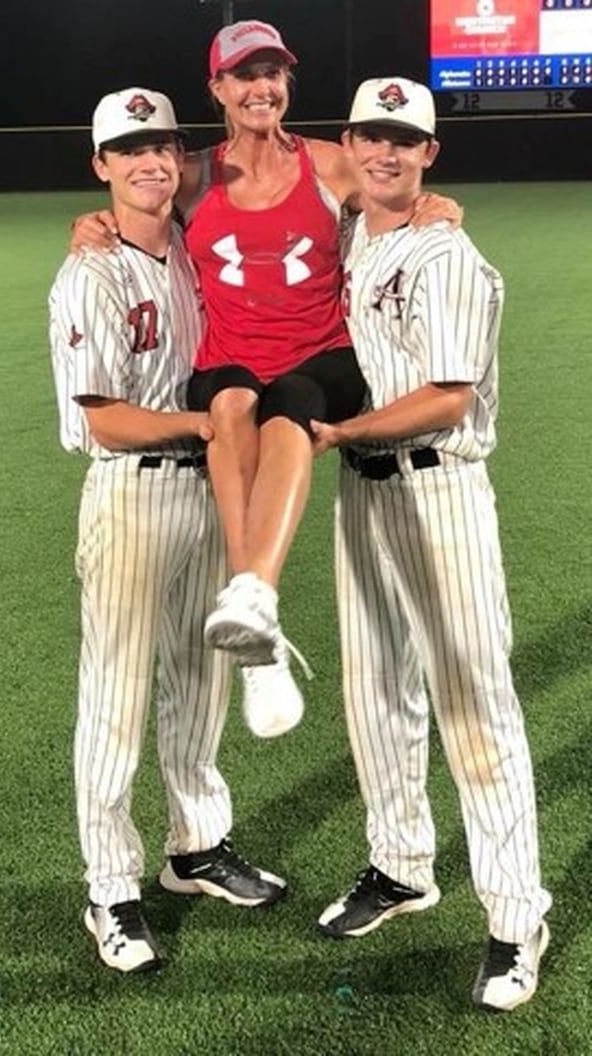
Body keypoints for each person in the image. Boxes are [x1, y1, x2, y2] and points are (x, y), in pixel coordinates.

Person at [70, 21, 462, 740]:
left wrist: (434, 206)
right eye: (245, 76)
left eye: (273, 74)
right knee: (229, 405)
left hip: (322, 355)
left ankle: (251, 592)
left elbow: (392, 194)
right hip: (230, 357)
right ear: (217, 88)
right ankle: (259, 640)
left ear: (287, 83)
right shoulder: (193, 173)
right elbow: (135, 204)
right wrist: (89, 224)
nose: (262, 88)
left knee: (290, 406)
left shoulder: (328, 165)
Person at [310, 77, 551, 1012]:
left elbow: (448, 397)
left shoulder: (446, 253)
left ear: (429, 155)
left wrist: (332, 435)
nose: (386, 152)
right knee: (374, 693)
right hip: (364, 498)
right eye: (372, 136)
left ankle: (515, 916)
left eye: (404, 141)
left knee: (474, 709)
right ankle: (402, 866)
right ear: (349, 145)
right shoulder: (350, 228)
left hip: (437, 488)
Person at [49, 87, 287, 975]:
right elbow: (100, 420)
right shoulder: (91, 271)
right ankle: (110, 889)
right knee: (115, 698)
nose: (153, 161)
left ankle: (196, 848)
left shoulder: (194, 250)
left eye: (165, 147)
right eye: (131, 149)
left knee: (201, 680)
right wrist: (204, 428)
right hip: (133, 492)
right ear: (102, 165)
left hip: (206, 494)